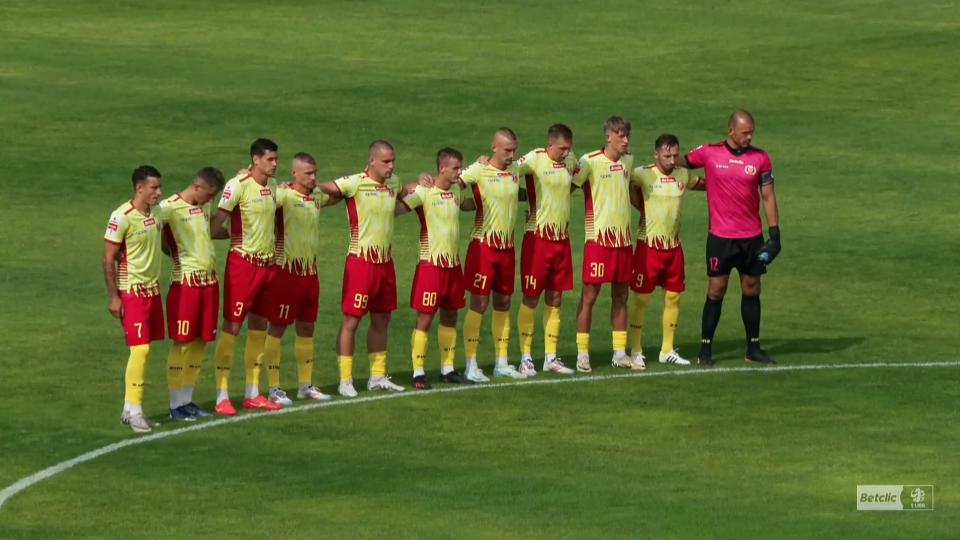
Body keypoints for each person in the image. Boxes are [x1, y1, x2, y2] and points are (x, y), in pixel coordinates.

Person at [682, 110, 781, 366]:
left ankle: (753, 349)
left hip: (752, 237)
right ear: (731, 131)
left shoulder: (760, 158)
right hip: (720, 237)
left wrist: (775, 234)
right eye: (745, 132)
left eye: (752, 132)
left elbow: (768, 196)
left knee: (752, 288)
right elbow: (677, 163)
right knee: (716, 289)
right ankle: (705, 350)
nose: (749, 136)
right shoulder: (709, 153)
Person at [315, 140, 405, 397]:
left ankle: (377, 377)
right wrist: (313, 183)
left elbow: (403, 193)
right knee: (351, 320)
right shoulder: (354, 182)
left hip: (386, 263)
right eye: (386, 161)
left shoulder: (394, 182)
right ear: (372, 161)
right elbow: (331, 188)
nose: (391, 166)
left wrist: (425, 180)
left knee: (382, 318)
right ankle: (345, 380)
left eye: (393, 161)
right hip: (360, 262)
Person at [252, 153, 339, 406]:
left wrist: (323, 186)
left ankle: (305, 385)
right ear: (294, 173)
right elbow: (257, 195)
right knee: (277, 327)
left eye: (315, 172)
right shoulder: (283, 196)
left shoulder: (317, 196)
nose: (313, 177)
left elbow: (337, 196)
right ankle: (274, 388)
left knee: (306, 328)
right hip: (286, 272)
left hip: (310, 274)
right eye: (308, 173)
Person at [209, 138, 283, 415]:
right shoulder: (237, 185)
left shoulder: (273, 186)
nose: (275, 164)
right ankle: (222, 395)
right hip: (243, 265)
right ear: (255, 159)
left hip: (267, 267)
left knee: (259, 328)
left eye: (276, 159)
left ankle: (253, 392)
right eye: (270, 159)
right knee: (233, 327)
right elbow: (216, 225)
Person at [396, 148, 475, 389]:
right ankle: (418, 373)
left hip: (453, 265)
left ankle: (447, 369)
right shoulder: (424, 192)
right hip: (431, 265)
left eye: (460, 168)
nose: (458, 173)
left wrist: (491, 196)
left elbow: (467, 205)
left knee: (451, 315)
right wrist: (400, 189)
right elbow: (397, 210)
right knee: (425, 318)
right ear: (442, 168)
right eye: (455, 168)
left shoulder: (453, 192)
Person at [628, 135, 704, 368]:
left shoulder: (682, 174)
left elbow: (703, 184)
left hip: (673, 247)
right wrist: (640, 206)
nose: (672, 160)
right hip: (648, 246)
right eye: (666, 155)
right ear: (656, 154)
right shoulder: (643, 174)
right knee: (641, 299)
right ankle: (636, 349)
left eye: (674, 155)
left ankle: (667, 349)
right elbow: (626, 185)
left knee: (674, 297)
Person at [159, 166, 226, 421]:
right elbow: (148, 229)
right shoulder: (168, 208)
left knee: (200, 342)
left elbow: (208, 232)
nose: (211, 200)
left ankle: (187, 400)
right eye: (209, 194)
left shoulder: (204, 206)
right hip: (185, 283)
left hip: (210, 282)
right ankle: (175, 405)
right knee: (182, 343)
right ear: (197, 186)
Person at [103, 165, 165, 433]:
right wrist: (114, 297)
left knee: (143, 349)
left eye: (160, 187)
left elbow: (188, 198)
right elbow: (108, 259)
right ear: (139, 188)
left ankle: (130, 410)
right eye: (154, 188)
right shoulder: (122, 216)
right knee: (140, 350)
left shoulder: (159, 212)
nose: (159, 193)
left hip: (153, 292)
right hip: (132, 292)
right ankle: (135, 410)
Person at [572, 116, 636, 372]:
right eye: (620, 135)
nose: (625, 140)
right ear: (608, 136)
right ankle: (582, 354)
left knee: (621, 295)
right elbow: (567, 187)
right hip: (598, 240)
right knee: (590, 296)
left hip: (624, 242)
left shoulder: (629, 161)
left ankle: (620, 353)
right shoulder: (589, 162)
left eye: (627, 135)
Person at [460, 128, 525, 382]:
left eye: (514, 150)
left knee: (504, 303)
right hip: (483, 246)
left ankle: (501, 362)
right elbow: (454, 184)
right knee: (479, 304)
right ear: (494, 147)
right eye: (507, 150)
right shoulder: (479, 170)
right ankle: (471, 364)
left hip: (507, 248)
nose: (511, 155)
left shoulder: (517, 170)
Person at [514, 124, 579, 375]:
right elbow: (506, 169)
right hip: (537, 238)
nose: (566, 153)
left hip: (562, 240)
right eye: (562, 149)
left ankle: (550, 357)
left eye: (568, 149)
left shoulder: (571, 160)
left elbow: (575, 182)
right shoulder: (533, 159)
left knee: (556, 297)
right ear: (550, 145)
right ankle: (526, 357)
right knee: (531, 296)